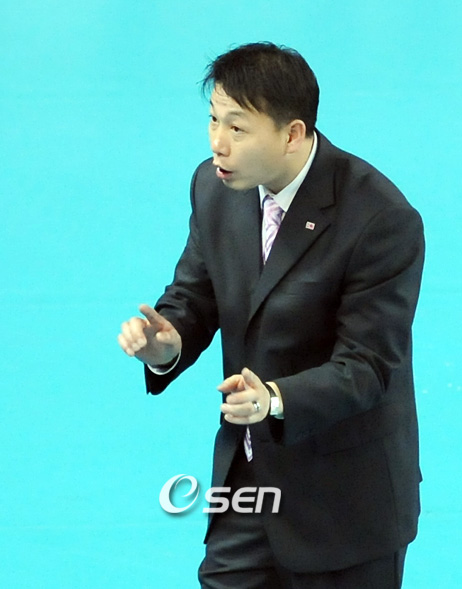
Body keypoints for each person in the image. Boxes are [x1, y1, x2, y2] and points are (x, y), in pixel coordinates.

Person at [118, 42, 425, 588]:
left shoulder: (380, 219)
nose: (217, 142)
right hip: (248, 485)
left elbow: (369, 365)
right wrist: (166, 342)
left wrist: (274, 399)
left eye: (237, 128)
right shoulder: (215, 188)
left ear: (292, 134)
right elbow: (196, 295)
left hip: (346, 509)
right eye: (214, 119)